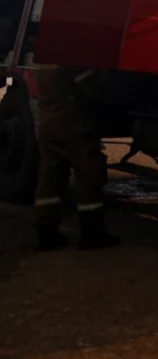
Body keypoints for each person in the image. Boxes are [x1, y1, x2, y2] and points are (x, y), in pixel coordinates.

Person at [33, 65, 120, 251]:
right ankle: (92, 233)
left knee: (50, 178)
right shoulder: (71, 62)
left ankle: (46, 232)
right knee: (89, 174)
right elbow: (92, 89)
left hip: (49, 127)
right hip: (73, 127)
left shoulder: (43, 62)